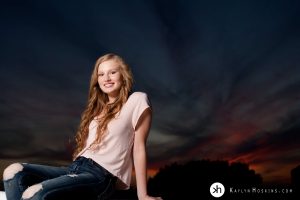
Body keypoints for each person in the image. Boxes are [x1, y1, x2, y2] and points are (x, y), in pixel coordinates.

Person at [2, 53, 162, 200]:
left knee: (34, 193)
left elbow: (139, 147)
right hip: (76, 168)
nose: (106, 78)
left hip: (101, 176)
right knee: (13, 171)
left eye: (112, 72)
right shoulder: (98, 110)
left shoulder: (137, 100)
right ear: (97, 80)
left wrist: (143, 195)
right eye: (101, 74)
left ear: (123, 75)